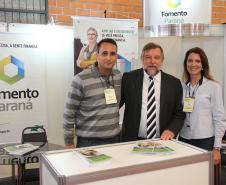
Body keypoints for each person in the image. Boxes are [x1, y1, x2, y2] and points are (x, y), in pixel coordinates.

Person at [120, 42, 185, 142]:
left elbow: (179, 114)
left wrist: (171, 130)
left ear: (162, 60)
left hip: (162, 141)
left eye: (157, 57)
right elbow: (116, 104)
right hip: (132, 141)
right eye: (148, 57)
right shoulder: (129, 79)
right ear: (142, 59)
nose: (152, 61)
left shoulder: (174, 83)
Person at [63, 38, 121, 148]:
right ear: (97, 56)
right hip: (89, 142)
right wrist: (69, 142)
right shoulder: (80, 79)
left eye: (112, 54)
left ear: (116, 57)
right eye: (104, 53)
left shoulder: (118, 76)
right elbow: (69, 113)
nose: (108, 58)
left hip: (115, 139)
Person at [179, 47, 226, 165]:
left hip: (205, 141)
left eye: (197, 61)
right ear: (186, 64)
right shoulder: (182, 87)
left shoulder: (213, 86)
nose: (193, 64)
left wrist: (216, 147)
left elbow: (219, 118)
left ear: (203, 65)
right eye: (190, 61)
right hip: (184, 139)